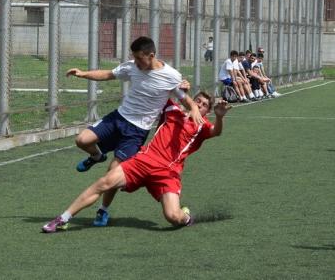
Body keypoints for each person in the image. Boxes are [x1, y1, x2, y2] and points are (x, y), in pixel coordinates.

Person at [42, 92, 232, 233]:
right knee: (105, 181)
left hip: (167, 172)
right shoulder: (172, 110)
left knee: (173, 217)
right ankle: (63, 218)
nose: (199, 105)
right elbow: (163, 89)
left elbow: (217, 131)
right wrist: (180, 86)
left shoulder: (203, 126)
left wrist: (220, 117)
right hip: (144, 160)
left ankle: (186, 215)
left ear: (206, 111)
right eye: (197, 100)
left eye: (204, 105)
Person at [65, 36, 204, 226]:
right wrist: (82, 74)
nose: (136, 63)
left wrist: (195, 109)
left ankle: (103, 210)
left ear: (151, 55)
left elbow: (186, 100)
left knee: (113, 171)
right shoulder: (132, 67)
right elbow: (108, 74)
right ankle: (97, 156)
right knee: (82, 140)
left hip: (137, 130)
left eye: (140, 58)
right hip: (118, 118)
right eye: (135, 58)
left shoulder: (171, 76)